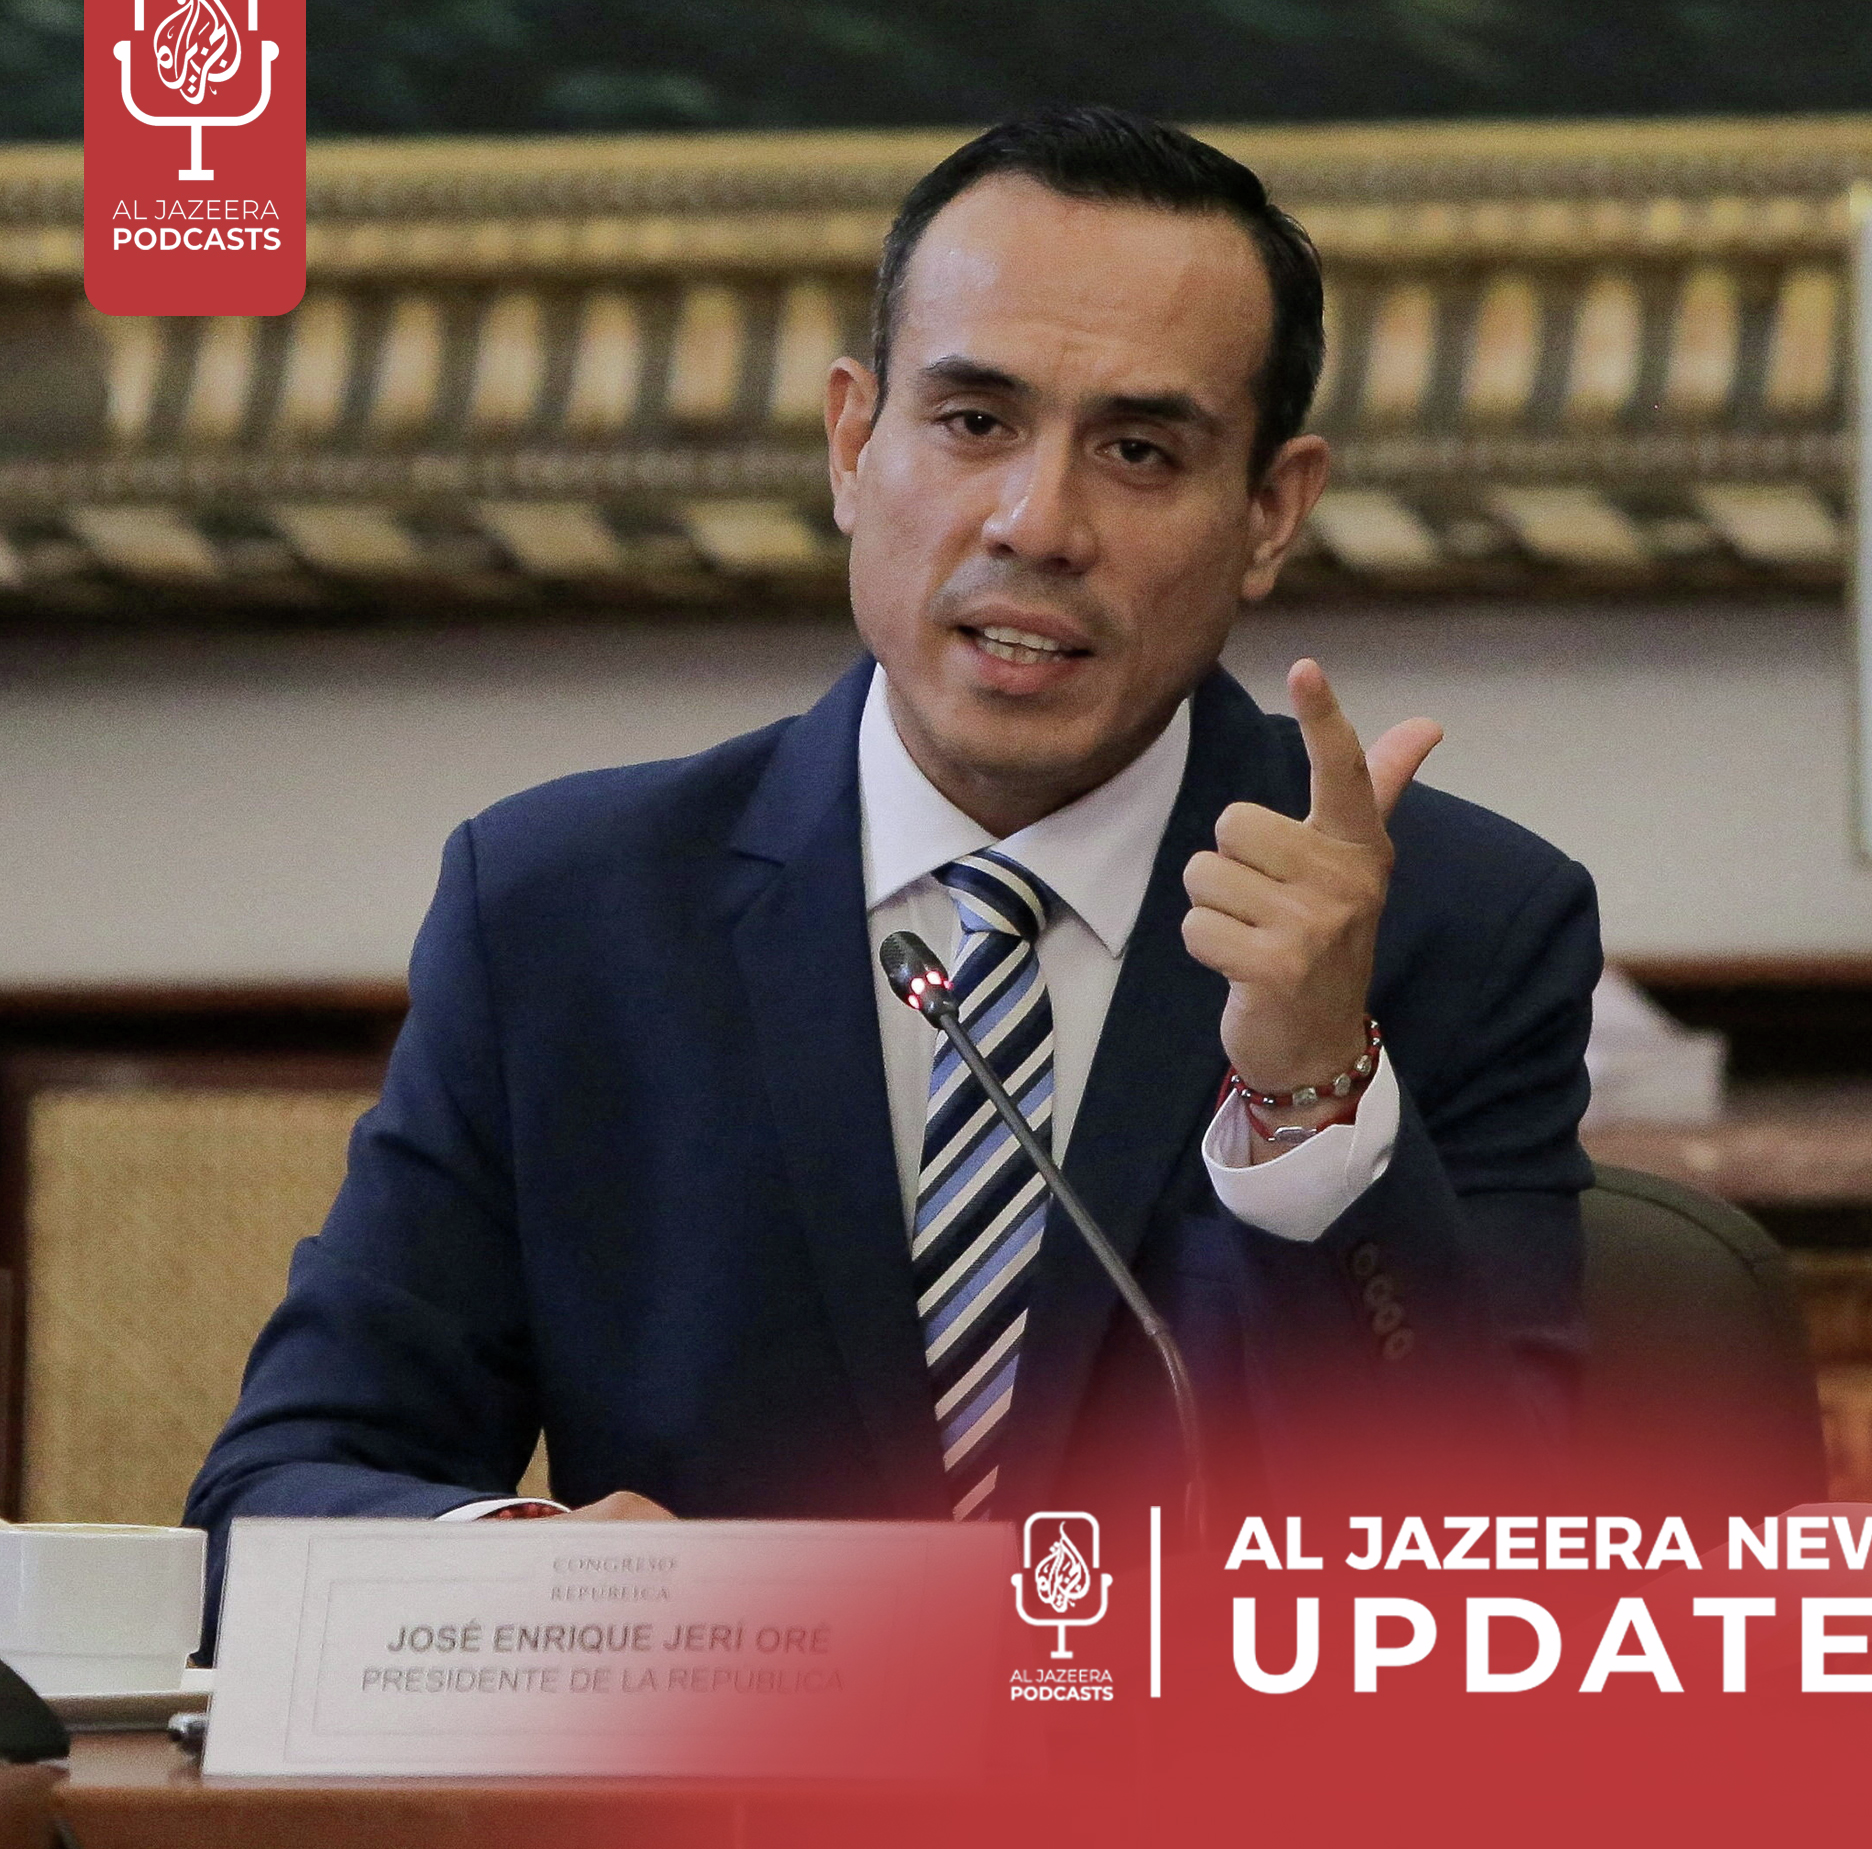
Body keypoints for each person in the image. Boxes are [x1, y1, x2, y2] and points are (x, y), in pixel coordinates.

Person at [187, 108, 1599, 1589]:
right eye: (974, 423)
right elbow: (267, 1503)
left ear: (1269, 512)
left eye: (1138, 450)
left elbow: (1489, 1573)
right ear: (854, 444)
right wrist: (541, 1574)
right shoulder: (565, 914)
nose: (1036, 523)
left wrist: (1312, 1099)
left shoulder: (1456, 924)